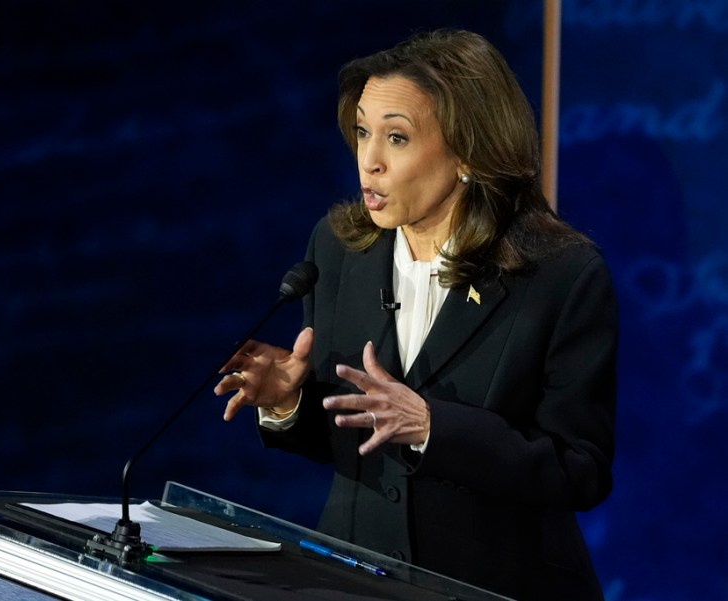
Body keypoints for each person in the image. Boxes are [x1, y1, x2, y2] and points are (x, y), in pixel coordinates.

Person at [214, 28, 617, 601]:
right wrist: (289, 402)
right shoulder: (338, 248)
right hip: (358, 583)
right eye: (362, 133)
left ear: (469, 152)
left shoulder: (559, 274)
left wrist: (433, 428)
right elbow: (354, 442)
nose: (369, 161)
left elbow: (580, 470)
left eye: (396, 138)